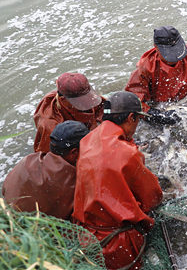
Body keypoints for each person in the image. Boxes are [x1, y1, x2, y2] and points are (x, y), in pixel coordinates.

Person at [73, 91, 163, 270]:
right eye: (138, 120)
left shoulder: (87, 140)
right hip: (117, 242)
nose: (137, 125)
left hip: (86, 236)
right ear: (131, 117)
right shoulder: (127, 153)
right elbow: (152, 197)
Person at [125, 26, 187, 124]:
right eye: (170, 53)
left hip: (186, 101)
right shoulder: (145, 67)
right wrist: (155, 115)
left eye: (176, 50)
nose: (174, 57)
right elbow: (133, 102)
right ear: (156, 48)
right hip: (158, 106)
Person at [2, 121, 89, 220]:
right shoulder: (73, 182)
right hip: (36, 231)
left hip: (7, 220)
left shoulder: (27, 160)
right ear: (74, 152)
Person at [32, 72, 104, 154]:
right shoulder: (51, 124)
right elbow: (52, 156)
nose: (87, 104)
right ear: (63, 99)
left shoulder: (86, 96)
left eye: (87, 98)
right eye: (81, 101)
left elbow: (102, 108)